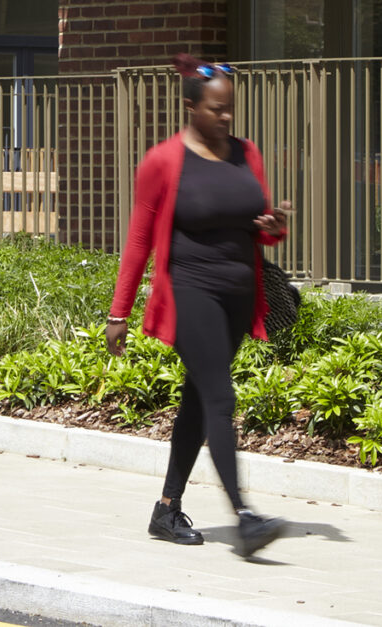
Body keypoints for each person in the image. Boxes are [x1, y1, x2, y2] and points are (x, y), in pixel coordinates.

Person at [108, 54, 291, 558]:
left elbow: (260, 228)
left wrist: (273, 226)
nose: (225, 118)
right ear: (191, 107)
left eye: (229, 109)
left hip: (236, 298)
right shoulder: (163, 161)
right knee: (220, 398)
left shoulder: (246, 154)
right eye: (215, 109)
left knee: (197, 397)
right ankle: (245, 517)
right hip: (190, 292)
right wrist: (118, 313)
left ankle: (167, 508)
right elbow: (140, 239)